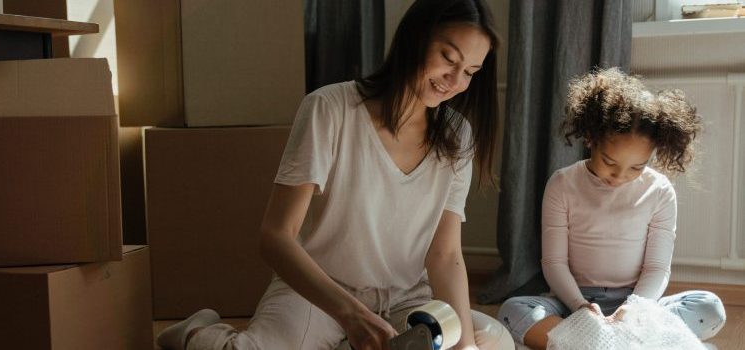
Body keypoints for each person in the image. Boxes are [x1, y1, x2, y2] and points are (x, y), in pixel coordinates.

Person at [157, 0, 515, 349]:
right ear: (416, 37)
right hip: (318, 293)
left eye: (469, 71)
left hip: (406, 299)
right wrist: (350, 315)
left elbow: (445, 254)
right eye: (448, 58)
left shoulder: (457, 136)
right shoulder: (329, 109)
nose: (454, 80)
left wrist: (466, 345)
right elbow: (275, 236)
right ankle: (197, 332)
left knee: (490, 340)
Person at [497, 68, 727, 349]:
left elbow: (656, 267)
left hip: (637, 305)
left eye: (636, 167)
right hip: (574, 304)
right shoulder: (561, 184)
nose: (619, 176)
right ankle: (625, 343)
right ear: (591, 139)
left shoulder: (660, 191)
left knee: (709, 308)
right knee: (513, 310)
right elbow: (554, 263)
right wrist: (580, 306)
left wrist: (634, 309)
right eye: (609, 161)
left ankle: (590, 343)